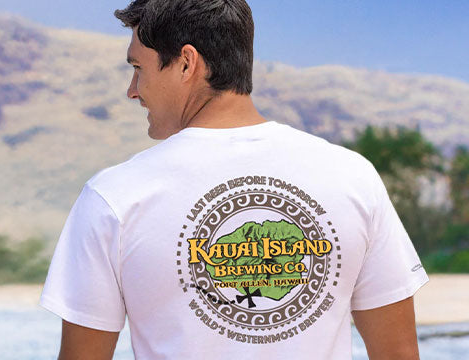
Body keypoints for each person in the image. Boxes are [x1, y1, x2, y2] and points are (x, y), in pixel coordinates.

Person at [40, 0, 427, 358]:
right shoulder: (351, 176)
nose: (132, 91)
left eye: (138, 68)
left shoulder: (115, 196)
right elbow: (399, 355)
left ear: (187, 63)